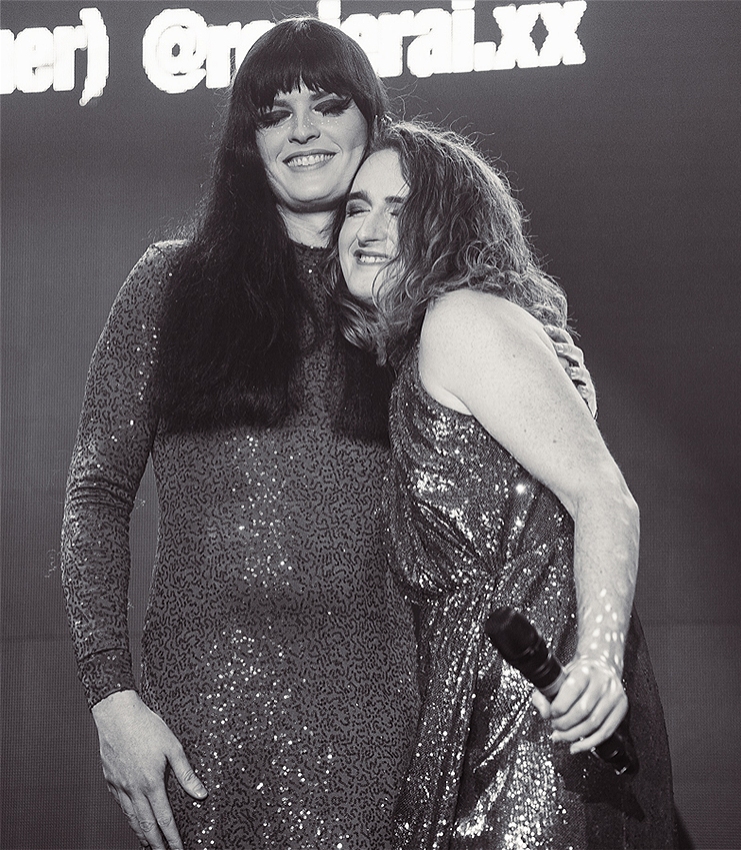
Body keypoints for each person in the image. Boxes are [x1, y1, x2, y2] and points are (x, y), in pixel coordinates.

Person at [61, 17, 596, 850]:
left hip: (390, 723)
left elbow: (540, 501)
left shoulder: (428, 314)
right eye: (275, 112)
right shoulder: (169, 284)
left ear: (369, 122)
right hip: (203, 726)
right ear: (249, 142)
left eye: (327, 103)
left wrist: (565, 376)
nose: (302, 129)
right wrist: (110, 696)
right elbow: (95, 495)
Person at [332, 122, 676, 848]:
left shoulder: (458, 319)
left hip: (541, 700)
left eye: (398, 208)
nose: (367, 227)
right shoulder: (429, 342)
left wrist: (595, 662)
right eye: (357, 206)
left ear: (445, 226)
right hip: (489, 692)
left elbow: (604, 497)